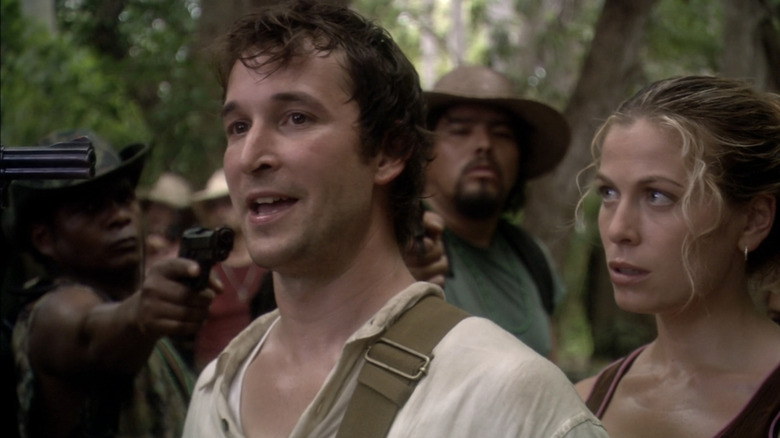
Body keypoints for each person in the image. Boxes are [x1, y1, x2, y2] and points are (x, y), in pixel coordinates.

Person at [182, 2, 607, 438]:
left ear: (389, 151)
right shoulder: (215, 391)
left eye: (296, 118)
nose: (250, 156)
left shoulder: (507, 395)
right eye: (237, 127)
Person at [574, 76, 780, 437]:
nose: (618, 229)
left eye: (657, 196)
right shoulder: (580, 406)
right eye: (608, 193)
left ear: (753, 219)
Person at [6, 129, 218, 437]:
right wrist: (141, 315)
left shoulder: (133, 300)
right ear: (44, 238)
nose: (119, 216)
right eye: (90, 208)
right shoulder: (51, 315)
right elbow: (91, 332)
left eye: (123, 198)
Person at [405, 64, 570, 358]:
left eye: (502, 134)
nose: (484, 145)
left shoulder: (531, 257)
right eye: (460, 131)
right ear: (422, 150)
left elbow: (554, 372)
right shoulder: (394, 241)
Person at [189, 168, 273, 371]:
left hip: (265, 367)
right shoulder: (202, 264)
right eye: (212, 206)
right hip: (212, 371)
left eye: (226, 203)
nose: (219, 212)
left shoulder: (270, 256)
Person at [138, 171, 196, 267]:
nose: (153, 213)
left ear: (178, 215)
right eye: (151, 206)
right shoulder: (144, 249)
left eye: (162, 208)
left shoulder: (189, 253)